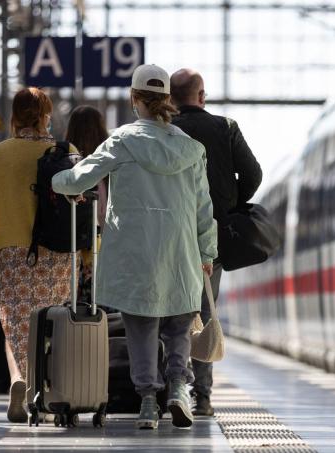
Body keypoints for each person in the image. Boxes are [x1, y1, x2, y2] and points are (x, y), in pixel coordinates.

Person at [52, 64, 217, 430]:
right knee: (178, 326)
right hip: (181, 252)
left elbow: (80, 178)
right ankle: (178, 388)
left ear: (134, 98)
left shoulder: (122, 142)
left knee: (141, 327)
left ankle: (147, 402)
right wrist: (206, 252)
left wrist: (55, 177)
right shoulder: (192, 150)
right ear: (168, 101)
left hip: (135, 254)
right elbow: (204, 208)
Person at [0, 87, 77, 424]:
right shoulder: (66, 152)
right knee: (51, 324)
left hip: (12, 253)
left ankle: (19, 379)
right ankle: (42, 389)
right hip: (57, 253)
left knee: (16, 324)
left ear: (14, 117)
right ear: (46, 115)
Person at [170, 68, 262, 416]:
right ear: (202, 95)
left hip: (169, 234)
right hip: (214, 234)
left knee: (167, 311)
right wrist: (230, 207)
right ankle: (202, 396)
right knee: (204, 312)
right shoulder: (225, 128)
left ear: (169, 98)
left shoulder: (163, 131)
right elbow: (253, 174)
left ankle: (170, 387)